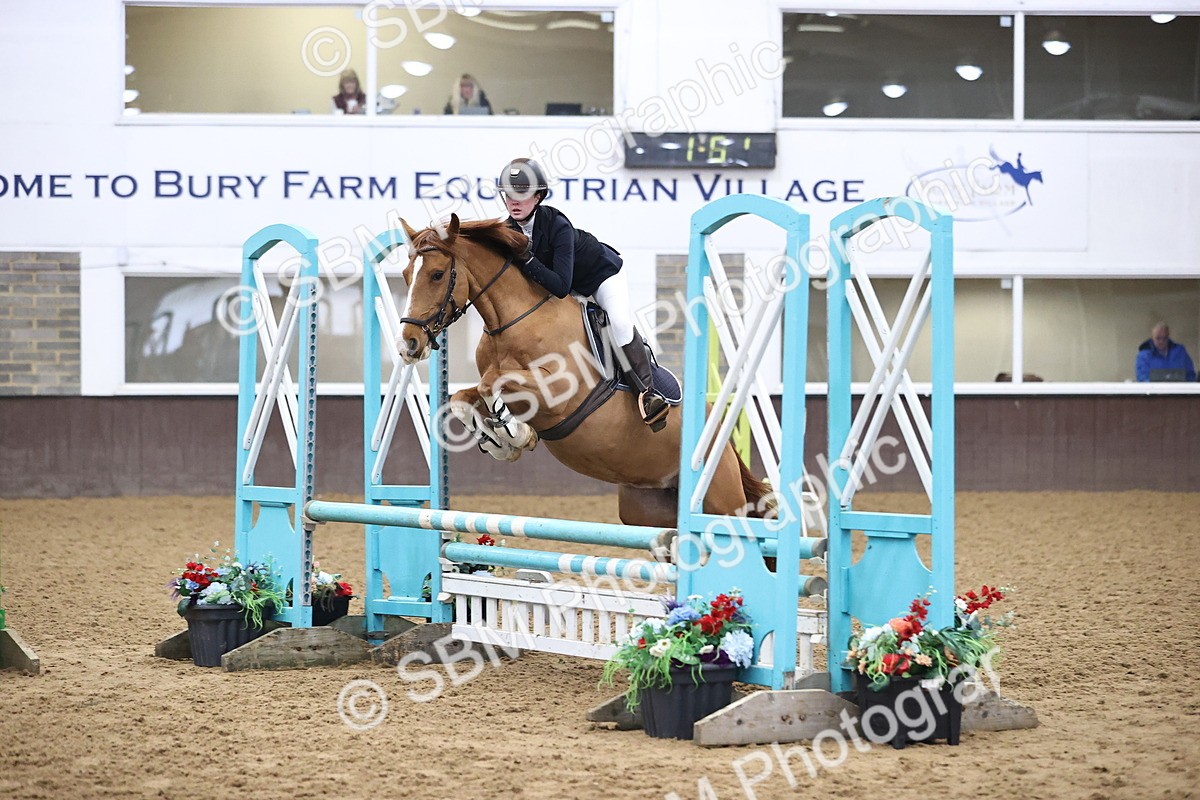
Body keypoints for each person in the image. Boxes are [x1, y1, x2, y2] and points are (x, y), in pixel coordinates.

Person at [497, 158, 668, 430]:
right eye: (508, 195)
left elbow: (562, 285)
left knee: (620, 324)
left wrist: (528, 260)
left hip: (601, 278)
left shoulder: (557, 226)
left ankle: (648, 395)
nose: (513, 202)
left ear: (538, 196)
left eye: (521, 195)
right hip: (566, 291)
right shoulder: (506, 231)